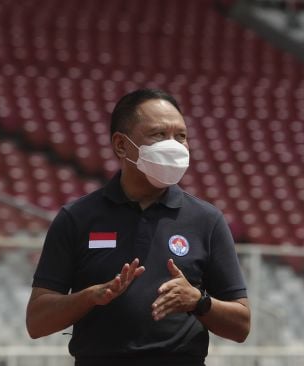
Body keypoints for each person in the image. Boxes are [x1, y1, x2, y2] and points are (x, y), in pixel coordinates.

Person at [26, 88, 250, 366]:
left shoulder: (207, 219)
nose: (174, 145)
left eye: (181, 136)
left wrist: (199, 301)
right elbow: (36, 322)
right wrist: (88, 297)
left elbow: (241, 325)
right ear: (121, 145)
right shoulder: (77, 217)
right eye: (159, 134)